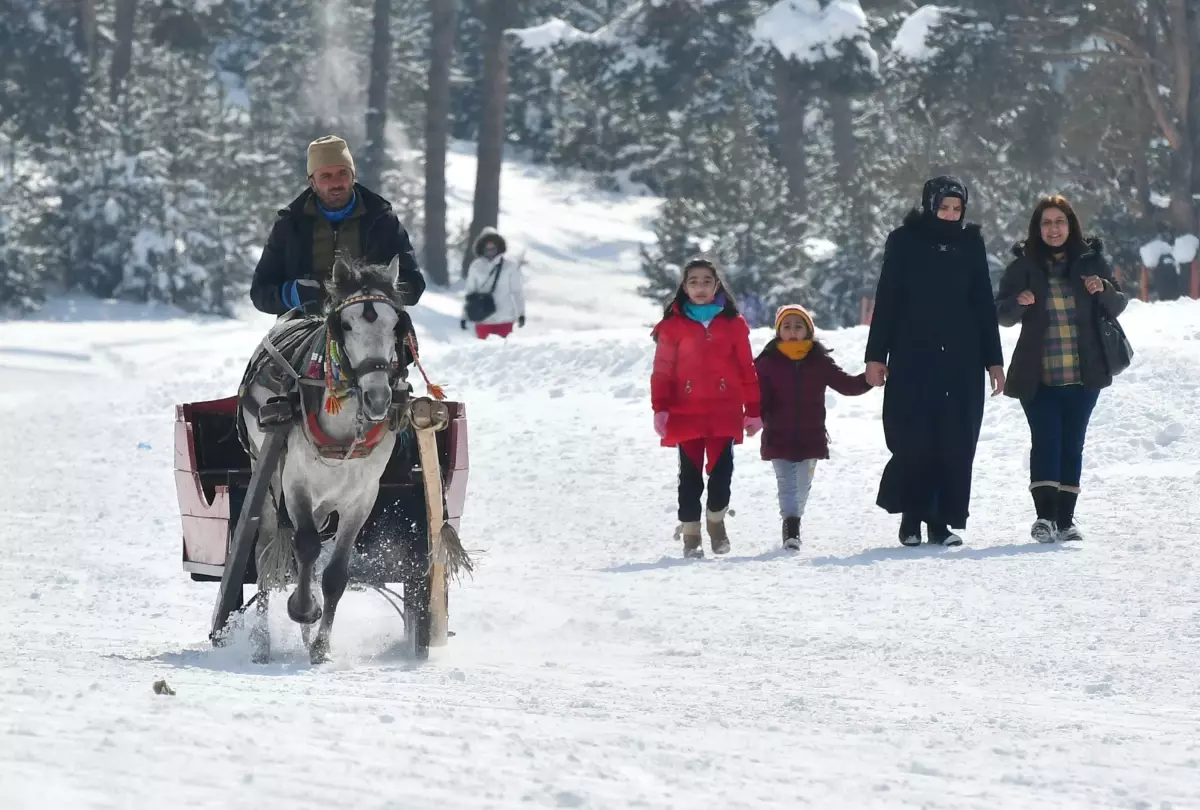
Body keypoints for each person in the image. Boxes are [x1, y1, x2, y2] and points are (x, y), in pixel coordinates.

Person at [864, 176, 1005, 547]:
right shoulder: (905, 241)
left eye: (956, 209)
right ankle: (912, 517)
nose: (949, 214)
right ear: (929, 204)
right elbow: (888, 299)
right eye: (944, 207)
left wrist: (994, 360)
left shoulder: (969, 243)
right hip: (914, 353)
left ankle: (941, 521)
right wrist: (876, 356)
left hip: (963, 357)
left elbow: (983, 304)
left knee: (955, 439)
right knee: (914, 435)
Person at [995, 196, 1127, 542]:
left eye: (1060, 222)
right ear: (1037, 229)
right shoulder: (1022, 266)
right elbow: (1001, 315)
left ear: (1071, 226)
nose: (1053, 229)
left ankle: (1065, 521)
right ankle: (1044, 519)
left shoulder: (1091, 261)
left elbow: (1119, 304)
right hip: (1037, 374)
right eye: (1046, 223)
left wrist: (1104, 288)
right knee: (1046, 440)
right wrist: (1016, 303)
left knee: (1072, 443)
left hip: (1085, 373)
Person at [650, 258, 761, 558]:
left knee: (722, 472)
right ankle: (690, 534)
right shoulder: (672, 326)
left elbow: (746, 368)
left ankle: (715, 520)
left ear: (717, 285)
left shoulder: (733, 324)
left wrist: (753, 408)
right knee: (689, 476)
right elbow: (662, 371)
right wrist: (660, 408)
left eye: (706, 281)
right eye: (694, 281)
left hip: (724, 410)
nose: (700, 287)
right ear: (684, 287)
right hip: (685, 412)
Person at [250, 135, 426, 316]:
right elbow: (260, 291)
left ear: (353, 176)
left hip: (370, 322)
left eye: (343, 173)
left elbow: (414, 284)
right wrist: (292, 295)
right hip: (304, 323)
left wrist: (378, 289)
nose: (336, 183)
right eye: (326, 176)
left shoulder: (382, 220)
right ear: (312, 183)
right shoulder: (289, 225)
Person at [755, 304, 875, 550]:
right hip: (778, 436)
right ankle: (791, 527)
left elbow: (846, 384)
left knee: (802, 485)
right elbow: (756, 397)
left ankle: (795, 518)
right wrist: (751, 415)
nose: (792, 331)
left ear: (808, 331)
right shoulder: (767, 363)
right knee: (786, 483)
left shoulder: (819, 361)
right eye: (786, 326)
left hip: (811, 437)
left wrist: (868, 380)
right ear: (778, 332)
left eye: (799, 326)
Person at [461, 227, 525, 339]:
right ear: (482, 247)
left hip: (505, 318)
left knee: (504, 353)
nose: (490, 250)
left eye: (493, 247)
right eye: (487, 247)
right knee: (485, 353)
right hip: (483, 318)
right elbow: (470, 293)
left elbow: (517, 292)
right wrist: (464, 315)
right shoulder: (476, 266)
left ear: (499, 247)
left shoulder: (509, 266)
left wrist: (521, 313)